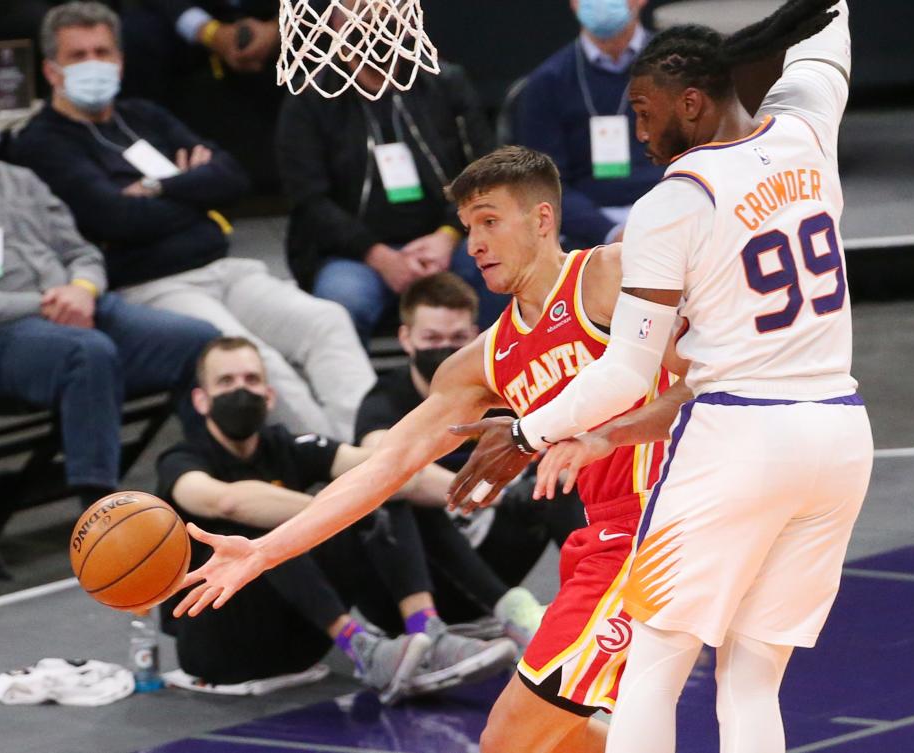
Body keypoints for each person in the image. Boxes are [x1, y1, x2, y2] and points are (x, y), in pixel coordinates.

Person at [449, 3, 872, 752]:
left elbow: (625, 369)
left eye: (645, 113)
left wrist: (526, 431)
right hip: (840, 434)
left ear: (692, 102)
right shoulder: (807, 127)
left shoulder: (673, 202)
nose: (640, 133)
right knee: (751, 677)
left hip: (740, 435)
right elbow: (827, 28)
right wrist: (759, 39)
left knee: (651, 661)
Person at [172, 147, 692, 753]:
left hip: (665, 526)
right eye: (468, 226)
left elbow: (705, 379)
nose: (474, 242)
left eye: (490, 221)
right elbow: (384, 468)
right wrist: (264, 551)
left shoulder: (609, 276)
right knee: (567, 734)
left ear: (543, 219)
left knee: (510, 738)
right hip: (603, 539)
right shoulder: (483, 361)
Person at [12, 1, 375, 441]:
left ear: (121, 61)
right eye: (78, 56)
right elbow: (117, 216)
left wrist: (159, 189)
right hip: (150, 287)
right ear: (52, 71)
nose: (94, 64)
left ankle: (382, 453)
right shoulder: (41, 142)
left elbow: (232, 177)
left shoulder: (143, 115)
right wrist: (190, 185)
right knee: (252, 359)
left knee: (326, 321)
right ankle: (348, 472)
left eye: (102, 53)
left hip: (222, 268)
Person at [158, 336, 517, 701]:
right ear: (200, 400)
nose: (241, 391)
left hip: (298, 638)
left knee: (386, 487)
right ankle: (361, 648)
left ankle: (431, 627)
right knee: (257, 523)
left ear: (269, 395)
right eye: (226, 382)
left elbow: (391, 468)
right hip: (218, 640)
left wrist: (494, 489)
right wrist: (334, 509)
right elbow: (227, 502)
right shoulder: (181, 460)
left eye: (251, 380)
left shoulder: (287, 445)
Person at [0, 51, 218, 511]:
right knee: (88, 354)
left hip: (75, 307)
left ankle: (212, 484)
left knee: (200, 343)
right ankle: (102, 516)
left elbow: (80, 250)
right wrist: (44, 302)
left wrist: (81, 289)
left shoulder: (20, 180)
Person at [355, 271, 586, 648]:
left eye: (457, 339)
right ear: (406, 339)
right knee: (395, 491)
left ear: (476, 336)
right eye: (432, 339)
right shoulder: (384, 399)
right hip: (410, 578)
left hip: (490, 548)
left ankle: (596, 602)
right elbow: (378, 460)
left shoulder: (500, 388)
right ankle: (439, 628)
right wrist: (477, 491)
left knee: (557, 479)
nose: (444, 348)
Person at [276, 18, 507, 342]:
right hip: (354, 253)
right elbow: (309, 199)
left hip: (451, 240)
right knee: (342, 306)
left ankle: (501, 385)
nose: (372, 20)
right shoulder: (310, 98)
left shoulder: (445, 82)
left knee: (504, 277)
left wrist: (449, 233)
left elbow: (487, 172)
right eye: (359, 11)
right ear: (334, 22)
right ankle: (362, 394)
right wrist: (378, 255)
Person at [511, 0, 663, 249]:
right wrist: (610, 233)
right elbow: (545, 182)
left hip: (671, 215)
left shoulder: (677, 70)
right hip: (588, 233)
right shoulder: (547, 83)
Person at [119, 0, 284, 191]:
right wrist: (208, 31)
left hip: (286, 16)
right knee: (138, 31)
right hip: (187, 15)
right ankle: (148, 165)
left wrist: (281, 27)